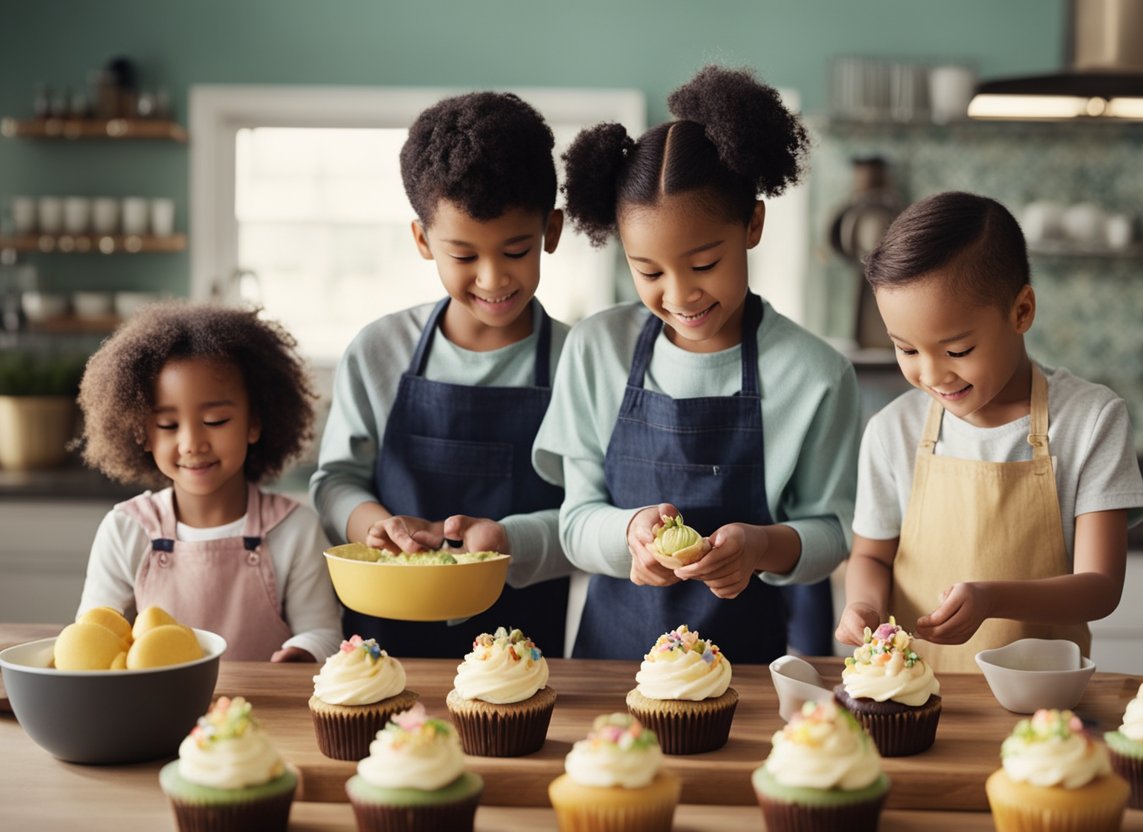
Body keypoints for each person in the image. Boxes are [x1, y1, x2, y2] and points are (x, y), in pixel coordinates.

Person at [532, 65, 861, 663]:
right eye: (650, 272)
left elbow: (834, 533)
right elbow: (575, 521)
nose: (680, 295)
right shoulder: (594, 350)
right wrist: (629, 534)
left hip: (748, 678)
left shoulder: (815, 375)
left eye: (705, 263)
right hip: (612, 670)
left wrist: (760, 547)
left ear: (752, 225)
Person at [834, 191, 1143, 672]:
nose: (933, 375)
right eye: (907, 350)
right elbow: (871, 559)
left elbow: (1100, 587)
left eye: (957, 350)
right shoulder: (891, 431)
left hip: (1044, 701)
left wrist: (990, 598)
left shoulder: (1090, 420)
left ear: (1021, 311)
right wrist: (863, 607)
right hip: (914, 697)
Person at [310, 91, 573, 657]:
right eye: (464, 255)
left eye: (516, 249)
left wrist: (509, 542)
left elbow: (589, 514)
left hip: (525, 652)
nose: (493, 277)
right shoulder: (380, 351)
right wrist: (373, 526)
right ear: (423, 241)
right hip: (381, 650)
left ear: (551, 231)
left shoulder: (579, 362)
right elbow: (334, 482)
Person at [75, 302, 342, 662]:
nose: (192, 444)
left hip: (263, 714)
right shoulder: (125, 530)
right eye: (168, 425)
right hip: (156, 716)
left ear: (254, 423)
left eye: (216, 420)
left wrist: (303, 651)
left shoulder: (295, 529)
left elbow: (324, 633)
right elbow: (92, 636)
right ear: (142, 434)